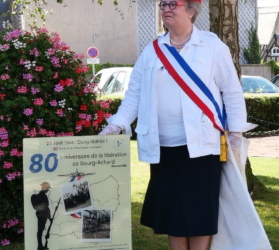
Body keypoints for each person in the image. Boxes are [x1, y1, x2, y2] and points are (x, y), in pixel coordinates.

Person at [100, 0, 252, 249]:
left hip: (203, 147)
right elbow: (134, 95)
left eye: (174, 4)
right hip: (164, 148)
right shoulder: (151, 50)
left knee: (201, 214)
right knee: (174, 216)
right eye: (163, 4)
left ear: (191, 10)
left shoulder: (212, 46)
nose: (166, 9)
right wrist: (116, 124)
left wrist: (235, 132)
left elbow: (232, 92)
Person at [31, 182, 52, 250]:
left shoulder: (41, 195)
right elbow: (46, 207)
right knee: (40, 230)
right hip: (43, 215)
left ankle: (40, 246)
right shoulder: (43, 196)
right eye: (47, 188)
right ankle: (40, 246)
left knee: (40, 230)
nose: (48, 190)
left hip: (41, 214)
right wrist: (49, 217)